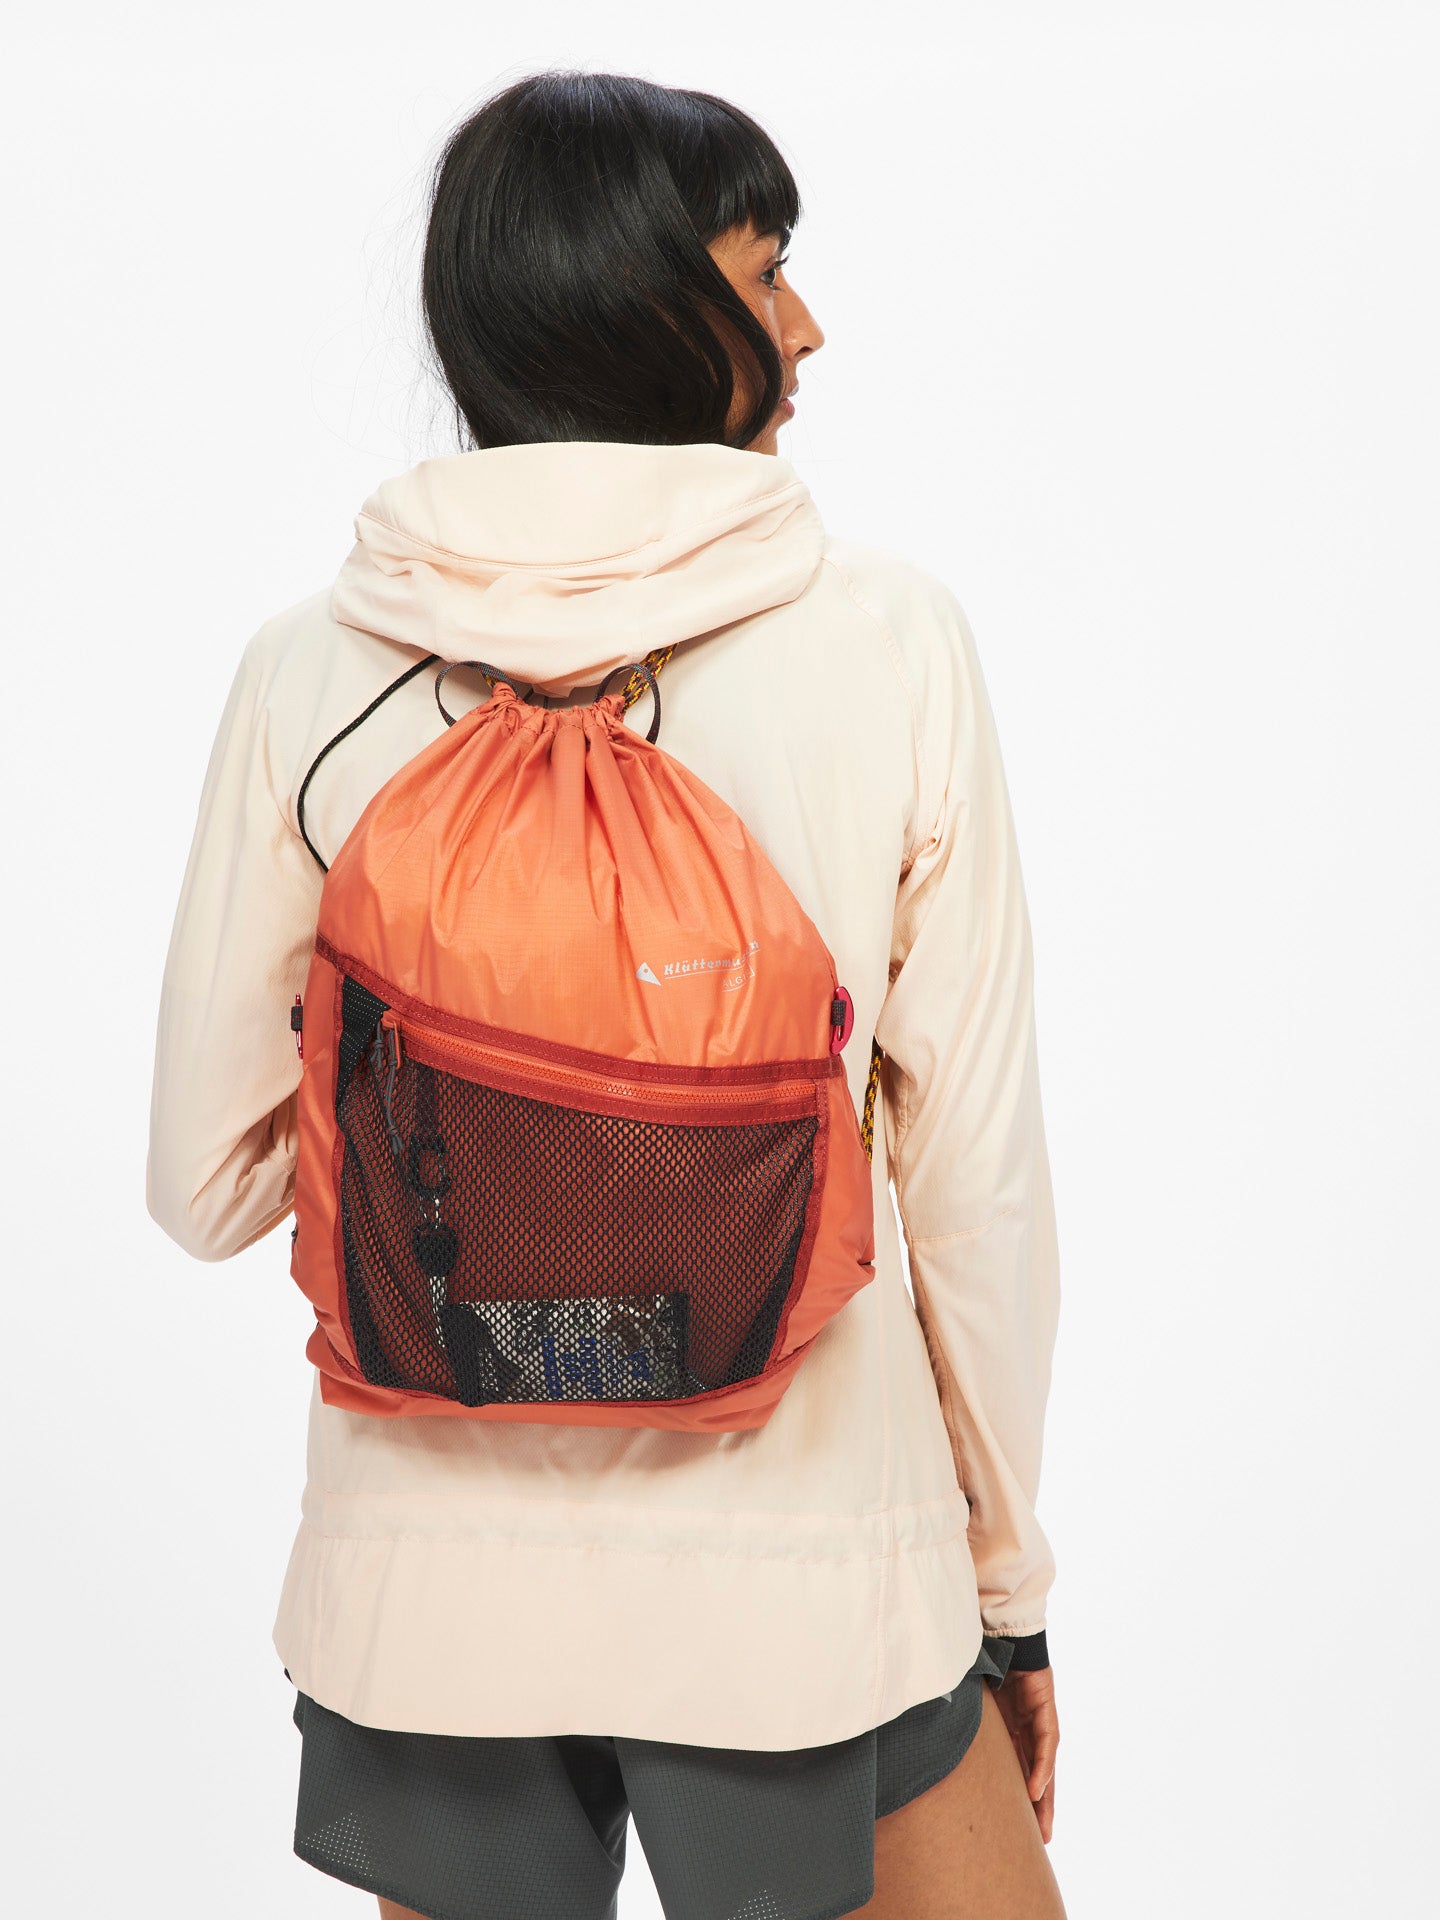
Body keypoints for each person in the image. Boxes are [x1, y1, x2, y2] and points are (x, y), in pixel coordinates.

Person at [146, 68, 1067, 1920]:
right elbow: (974, 1191)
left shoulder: (307, 669)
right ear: (640, 299)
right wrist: (1009, 1593)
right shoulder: (886, 641)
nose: (810, 325)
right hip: (813, 1591)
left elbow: (206, 1186)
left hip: (428, 1613)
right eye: (768, 270)